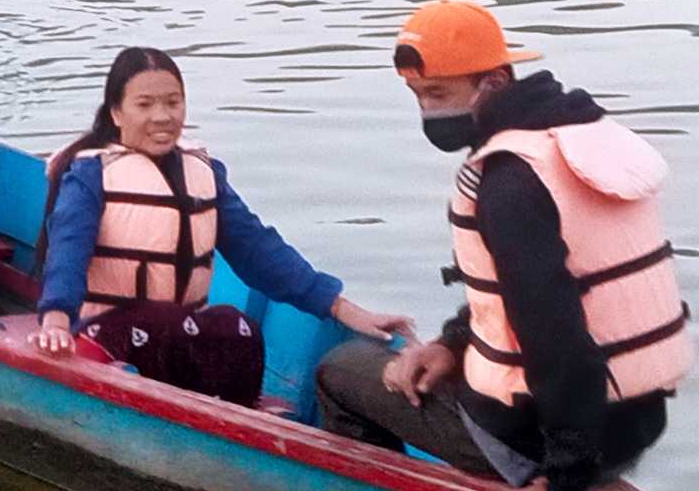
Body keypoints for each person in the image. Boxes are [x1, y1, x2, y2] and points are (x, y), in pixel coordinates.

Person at [311, 0, 690, 491]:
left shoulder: (509, 181)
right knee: (448, 356)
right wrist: (452, 344)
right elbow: (542, 291)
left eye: (440, 93)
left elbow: (556, 340)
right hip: (638, 423)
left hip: (549, 444)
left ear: (494, 81)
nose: (428, 112)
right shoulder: (576, 139)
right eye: (418, 97)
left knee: (339, 371)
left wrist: (562, 484)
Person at [27, 46, 413, 405]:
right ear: (116, 113)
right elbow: (68, 251)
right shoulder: (91, 174)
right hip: (104, 333)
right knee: (172, 326)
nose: (162, 117)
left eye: (173, 103)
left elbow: (258, 249)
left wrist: (341, 307)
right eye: (144, 105)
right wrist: (57, 320)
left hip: (176, 334)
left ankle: (239, 415)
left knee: (240, 327)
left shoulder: (204, 173)